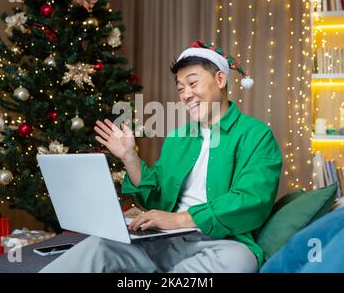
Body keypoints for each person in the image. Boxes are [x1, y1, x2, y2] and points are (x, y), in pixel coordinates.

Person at [40, 41, 283, 273]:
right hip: (165, 240)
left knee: (239, 262)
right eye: (180, 88)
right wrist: (129, 157)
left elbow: (252, 200)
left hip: (220, 241)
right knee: (99, 246)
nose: (186, 94)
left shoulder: (257, 135)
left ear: (220, 79)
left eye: (193, 83)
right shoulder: (178, 137)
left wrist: (177, 220)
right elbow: (156, 198)